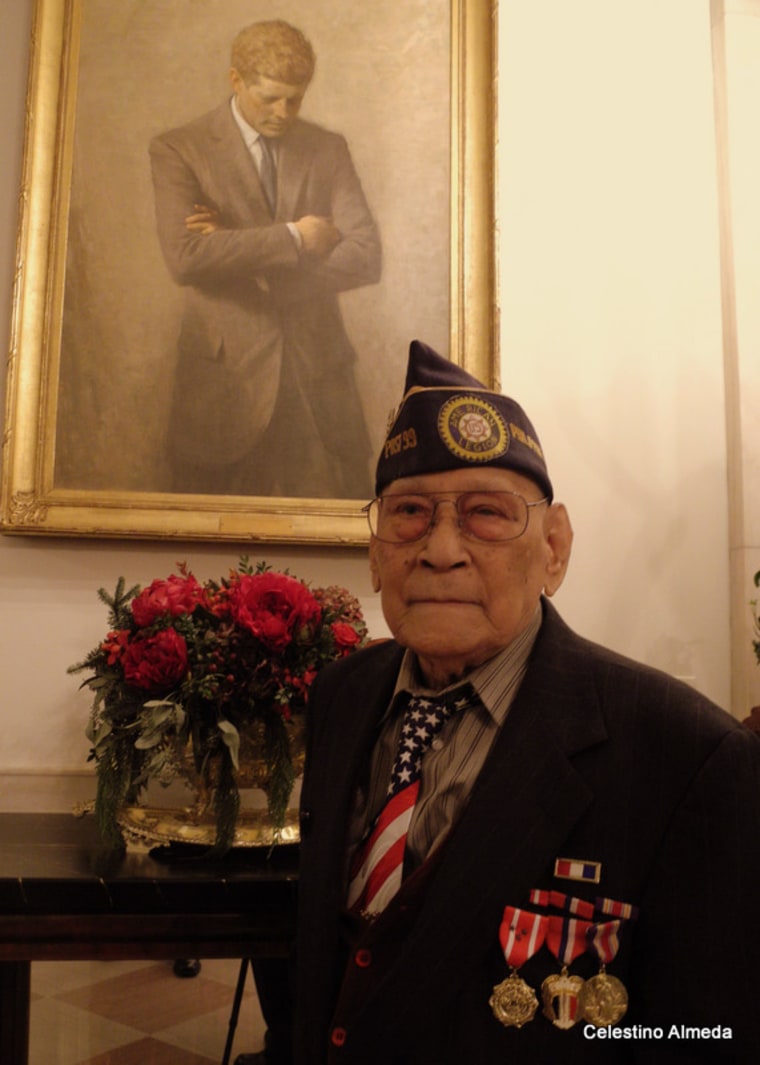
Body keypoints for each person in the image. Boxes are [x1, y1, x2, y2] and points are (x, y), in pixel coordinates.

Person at [294, 339, 760, 1063]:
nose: (441, 548)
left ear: (554, 547)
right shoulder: (341, 697)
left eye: (487, 513)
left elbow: (707, 1035)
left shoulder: (689, 757)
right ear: (376, 550)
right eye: (410, 511)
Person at [149, 20, 381, 498]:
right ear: (236, 81)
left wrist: (243, 255)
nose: (284, 112)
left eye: (295, 98)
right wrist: (296, 237)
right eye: (270, 98)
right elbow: (186, 257)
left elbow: (365, 256)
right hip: (223, 390)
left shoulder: (327, 148)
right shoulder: (179, 149)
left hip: (318, 386)